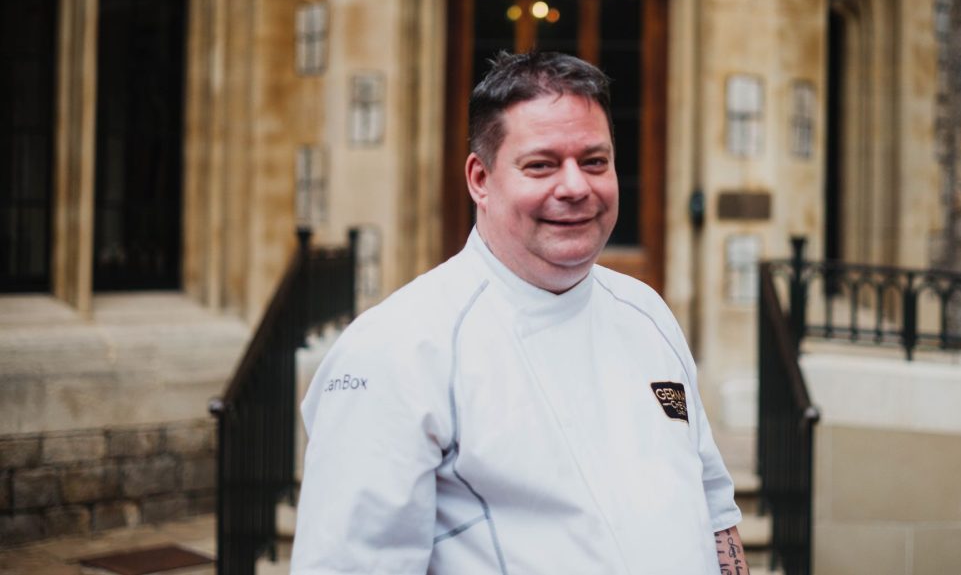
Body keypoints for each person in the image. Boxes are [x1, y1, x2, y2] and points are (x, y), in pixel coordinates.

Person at [292, 51, 749, 574]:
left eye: (594, 161)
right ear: (480, 179)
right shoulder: (397, 347)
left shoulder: (647, 313)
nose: (576, 186)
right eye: (542, 164)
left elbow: (713, 508)